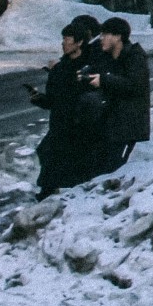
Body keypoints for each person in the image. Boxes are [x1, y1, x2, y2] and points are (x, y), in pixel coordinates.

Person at [28, 19, 102, 197]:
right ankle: (50, 193)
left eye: (68, 39)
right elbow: (53, 100)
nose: (63, 43)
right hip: (60, 124)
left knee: (70, 162)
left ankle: (65, 196)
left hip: (80, 125)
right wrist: (38, 98)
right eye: (63, 39)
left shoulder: (90, 66)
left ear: (79, 42)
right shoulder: (60, 68)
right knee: (47, 154)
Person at [87, 16, 151, 173]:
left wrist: (104, 80)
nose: (101, 39)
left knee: (116, 168)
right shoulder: (107, 58)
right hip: (110, 125)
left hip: (127, 127)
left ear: (118, 37)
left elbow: (134, 85)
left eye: (105, 35)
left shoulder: (135, 57)